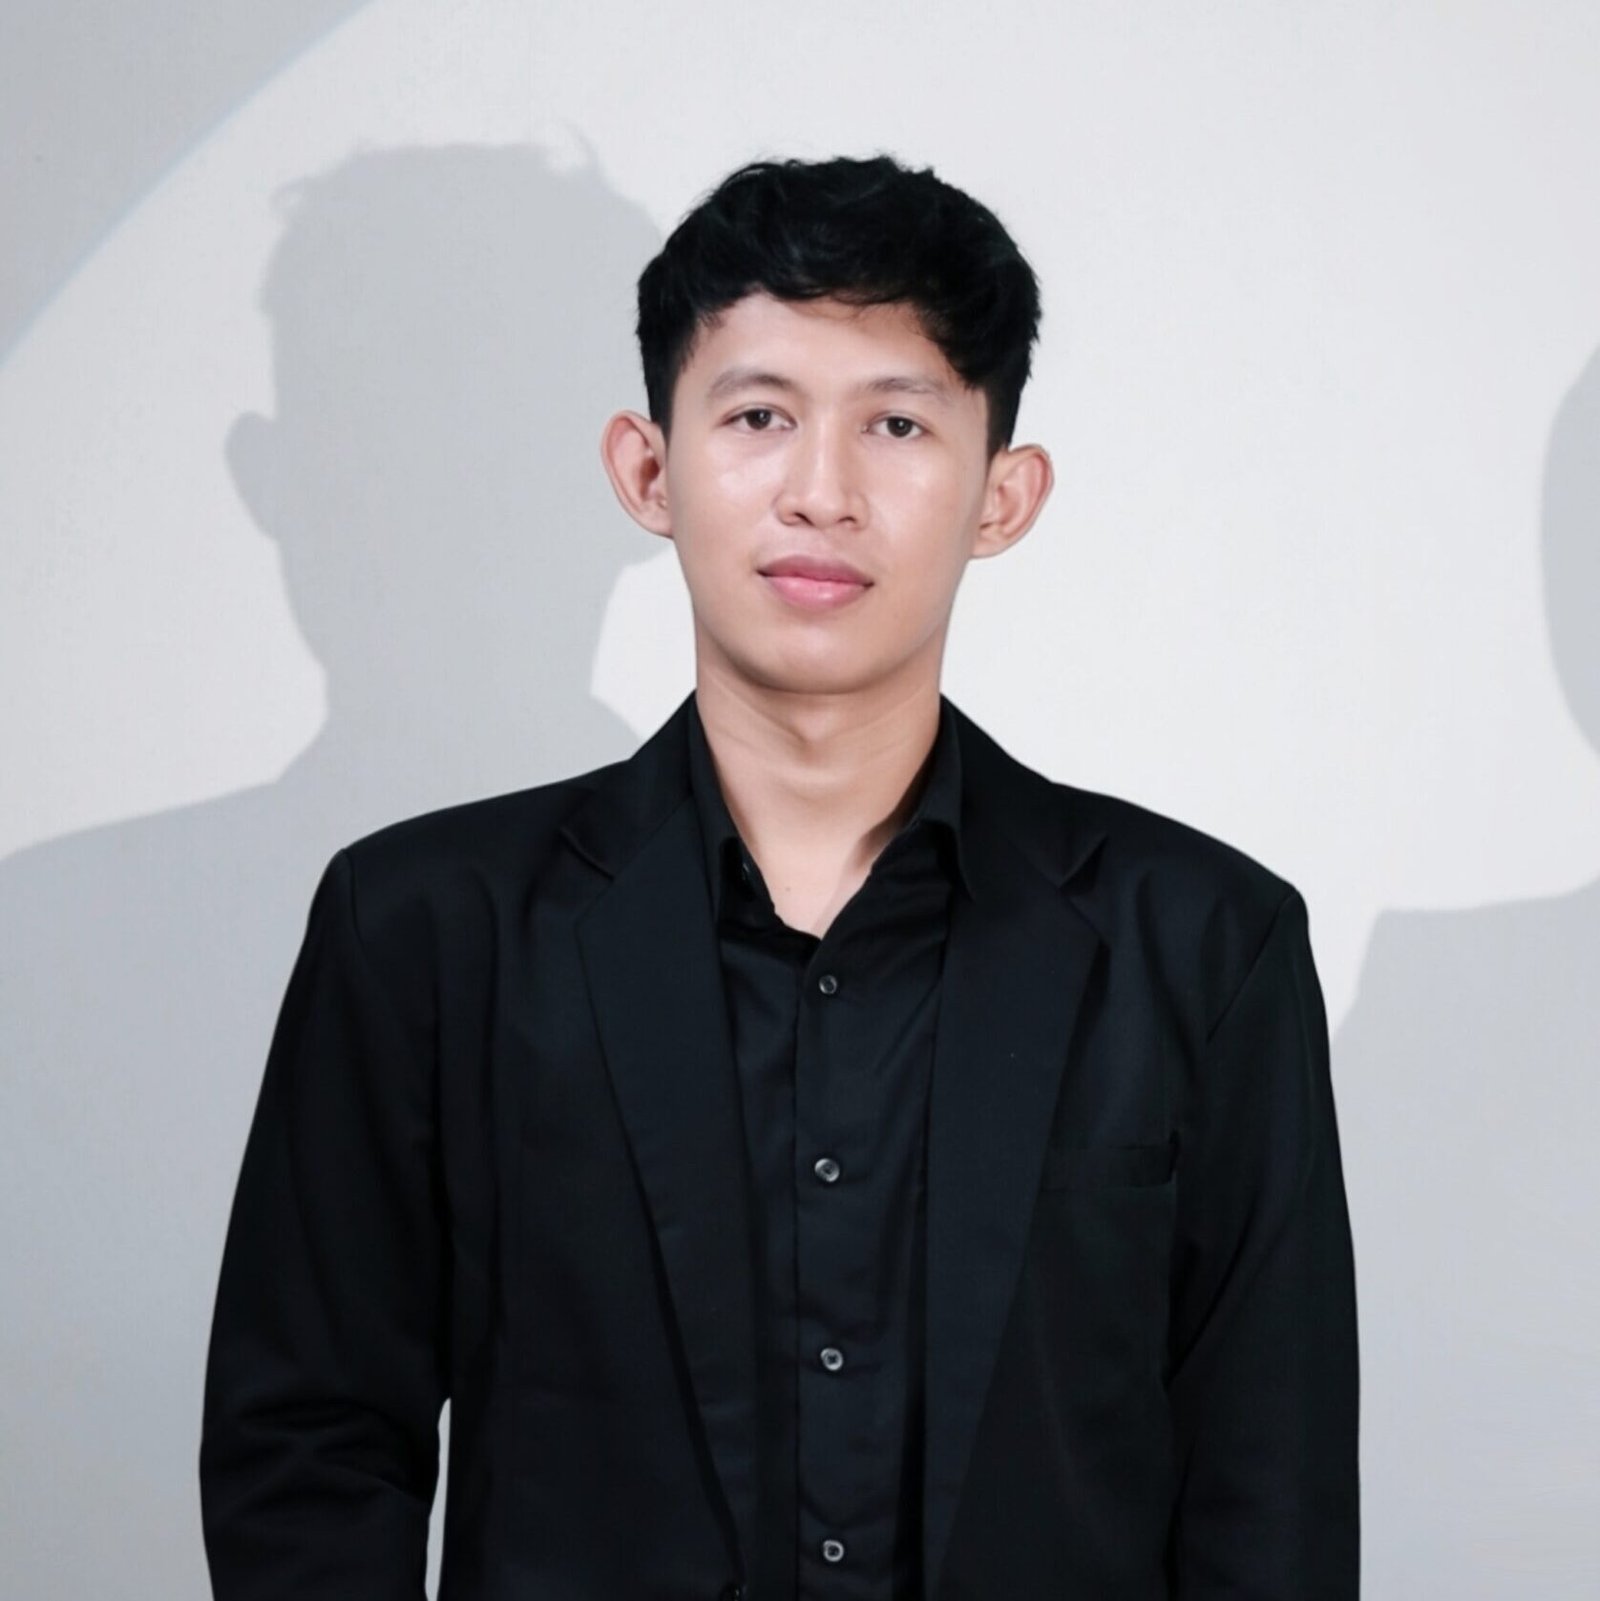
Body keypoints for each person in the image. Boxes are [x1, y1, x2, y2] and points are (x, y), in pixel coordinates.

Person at [199, 152, 1359, 1600]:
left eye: (897, 423)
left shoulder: (1205, 945)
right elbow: (309, 1454)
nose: (822, 493)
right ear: (648, 469)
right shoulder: (427, 932)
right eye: (759, 416)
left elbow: (1272, 1502)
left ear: (1003, 496)